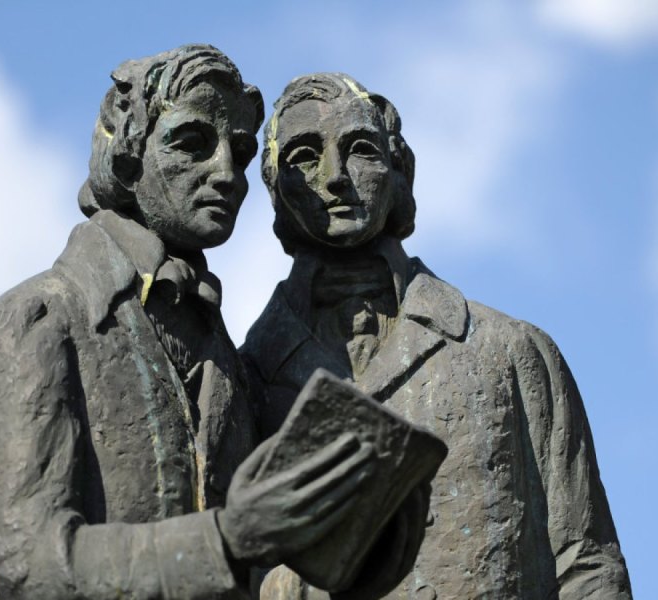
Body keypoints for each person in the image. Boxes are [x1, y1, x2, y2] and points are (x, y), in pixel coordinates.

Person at [0, 48, 375, 600]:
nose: (227, 173)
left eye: (242, 151)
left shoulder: (232, 358)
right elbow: (31, 567)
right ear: (128, 156)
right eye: (192, 142)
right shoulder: (36, 321)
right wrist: (227, 541)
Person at [242, 73, 633, 599]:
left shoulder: (512, 352)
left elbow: (587, 567)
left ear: (400, 172)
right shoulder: (243, 382)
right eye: (304, 157)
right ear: (275, 191)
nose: (334, 177)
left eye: (359, 150)